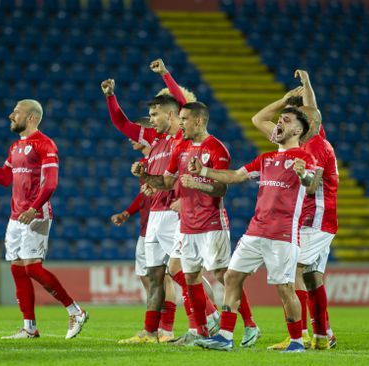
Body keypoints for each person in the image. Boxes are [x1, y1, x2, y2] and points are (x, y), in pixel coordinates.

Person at [102, 66, 219, 344]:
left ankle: (206, 319)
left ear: (173, 115)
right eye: (150, 114)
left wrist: (165, 74)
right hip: (154, 214)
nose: (150, 120)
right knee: (156, 276)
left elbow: (180, 101)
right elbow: (122, 124)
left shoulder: (180, 136)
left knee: (181, 271)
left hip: (173, 213)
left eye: (155, 114)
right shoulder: (155, 140)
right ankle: (151, 330)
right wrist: (110, 97)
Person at [134, 101, 260, 347]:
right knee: (187, 275)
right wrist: (145, 175)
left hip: (211, 224)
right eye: (179, 118)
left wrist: (198, 183)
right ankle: (200, 330)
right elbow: (169, 182)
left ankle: (251, 325)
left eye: (184, 119)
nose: (180, 123)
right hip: (186, 225)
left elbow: (221, 188)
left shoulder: (216, 148)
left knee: (223, 276)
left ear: (199, 121)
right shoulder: (179, 147)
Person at [190, 107, 316, 352]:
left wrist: (304, 176)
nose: (279, 123)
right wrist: (204, 171)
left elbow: (310, 184)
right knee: (231, 276)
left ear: (298, 130)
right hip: (255, 231)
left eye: (286, 120)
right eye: (279, 120)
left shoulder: (304, 158)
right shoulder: (266, 159)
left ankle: (297, 341)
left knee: (284, 288)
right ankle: (225, 336)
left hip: (282, 235)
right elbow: (236, 176)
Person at [0, 99, 88, 339]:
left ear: (31, 117)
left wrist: (34, 208)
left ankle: (76, 311)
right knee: (18, 270)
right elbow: (4, 178)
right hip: (16, 217)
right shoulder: (15, 147)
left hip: (36, 214)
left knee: (33, 268)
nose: (11, 116)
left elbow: (51, 183)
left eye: (16, 112)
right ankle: (29, 327)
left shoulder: (45, 144)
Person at [253, 70, 338, 350]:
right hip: (318, 219)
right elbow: (313, 111)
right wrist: (308, 84)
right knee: (313, 277)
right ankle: (323, 335)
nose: (296, 119)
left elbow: (311, 186)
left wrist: (298, 176)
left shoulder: (313, 148)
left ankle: (297, 336)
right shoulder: (315, 136)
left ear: (307, 125)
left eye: (301, 117)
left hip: (315, 220)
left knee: (295, 271)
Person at [110, 118, 177, 342]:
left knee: (168, 275)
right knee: (148, 276)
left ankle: (166, 328)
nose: (131, 139)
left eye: (135, 136)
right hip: (147, 225)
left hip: (167, 219)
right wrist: (127, 213)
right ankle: (153, 328)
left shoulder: (166, 152)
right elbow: (144, 194)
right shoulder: (144, 162)